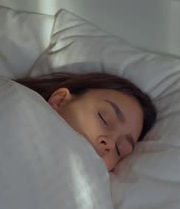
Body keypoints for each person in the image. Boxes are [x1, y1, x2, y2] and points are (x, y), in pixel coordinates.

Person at [14, 72, 157, 171]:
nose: (110, 144)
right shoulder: (9, 101)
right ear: (60, 100)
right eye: (103, 118)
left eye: (120, 150)